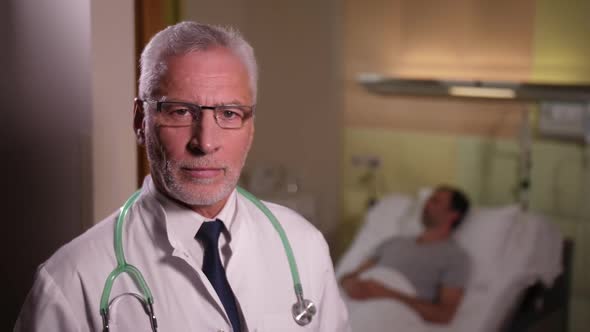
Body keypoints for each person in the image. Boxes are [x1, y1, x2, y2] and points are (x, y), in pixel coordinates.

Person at [15, 21, 350, 331]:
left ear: (250, 127)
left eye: (229, 113)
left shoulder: (303, 246)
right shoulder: (72, 281)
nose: (204, 142)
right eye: (180, 112)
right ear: (140, 121)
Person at [340, 185, 471, 325]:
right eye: (428, 199)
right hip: (353, 299)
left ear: (454, 214)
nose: (426, 203)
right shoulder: (394, 242)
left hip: (391, 313)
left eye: (435, 201)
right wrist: (350, 284)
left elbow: (444, 315)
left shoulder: (455, 257)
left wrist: (385, 294)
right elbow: (349, 277)